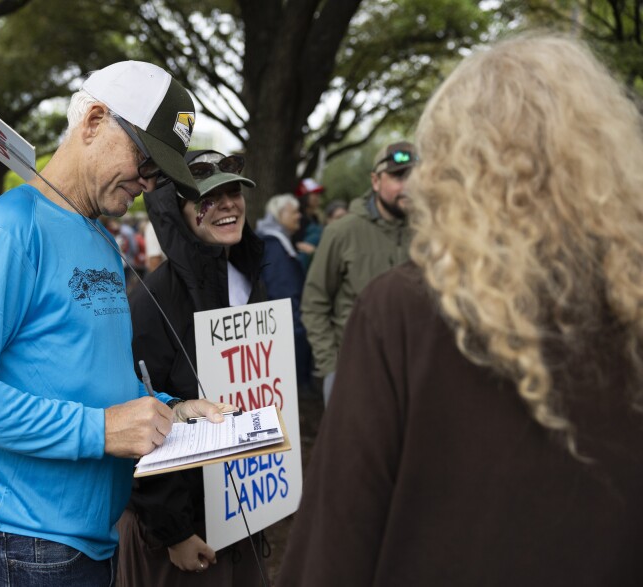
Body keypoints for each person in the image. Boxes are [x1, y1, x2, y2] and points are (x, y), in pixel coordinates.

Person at [279, 34, 643, 586]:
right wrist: (330, 366)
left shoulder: (401, 308)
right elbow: (317, 300)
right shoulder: (630, 300)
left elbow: (335, 543)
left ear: (453, 163)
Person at [0, 60, 232, 587]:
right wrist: (101, 431)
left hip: (85, 546)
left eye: (158, 176)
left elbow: (91, 375)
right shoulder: (8, 231)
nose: (148, 184)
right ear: (94, 121)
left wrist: (172, 410)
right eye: (145, 161)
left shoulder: (101, 238)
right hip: (16, 547)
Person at [117, 150, 267, 586]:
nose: (228, 205)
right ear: (177, 212)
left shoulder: (250, 281)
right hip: (184, 533)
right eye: (209, 196)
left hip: (242, 513)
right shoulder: (152, 301)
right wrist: (174, 531)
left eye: (233, 192)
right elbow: (137, 415)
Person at [301, 141, 417, 404]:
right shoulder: (341, 232)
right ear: (375, 181)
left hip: (417, 375)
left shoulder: (431, 231)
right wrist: (332, 368)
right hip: (357, 377)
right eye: (398, 176)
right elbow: (314, 303)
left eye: (414, 175)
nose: (409, 185)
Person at [256, 194, 313, 394]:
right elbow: (283, 295)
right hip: (291, 333)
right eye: (294, 211)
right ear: (279, 215)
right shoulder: (275, 246)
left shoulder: (278, 243)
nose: (299, 216)